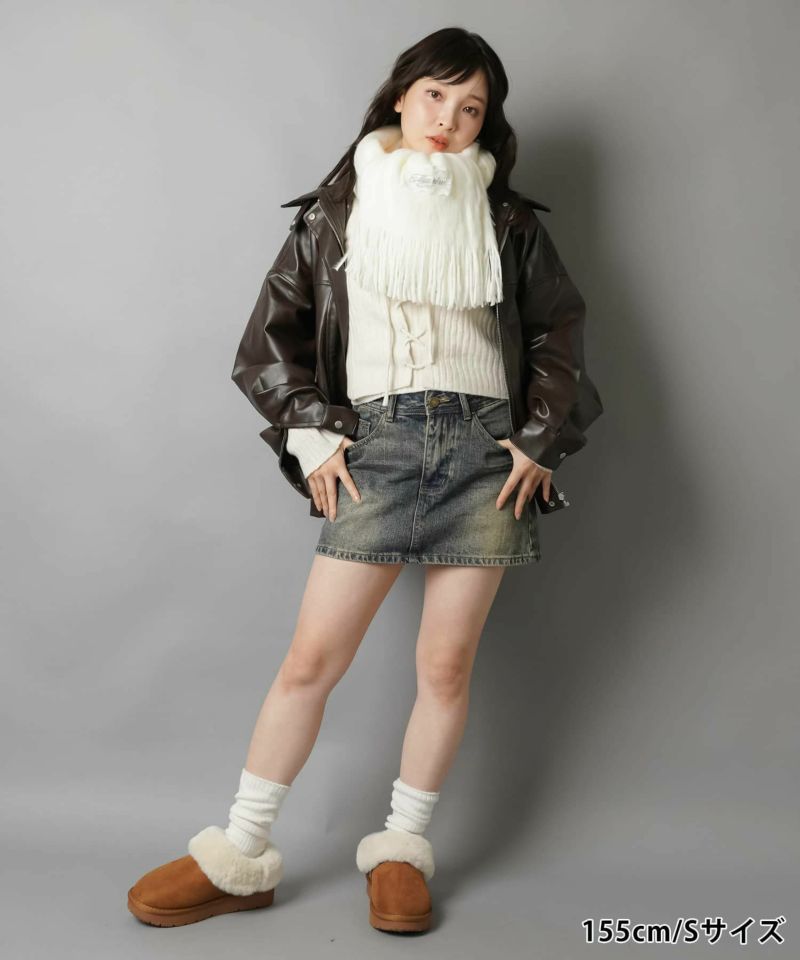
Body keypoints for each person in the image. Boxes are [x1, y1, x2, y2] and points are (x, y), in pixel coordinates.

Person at [127, 26, 603, 934]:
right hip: (375, 445)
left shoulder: (508, 221)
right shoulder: (332, 216)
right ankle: (242, 852)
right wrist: (312, 436)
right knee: (311, 662)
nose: (449, 119)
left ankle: (401, 851)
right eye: (436, 96)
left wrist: (539, 440)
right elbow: (269, 345)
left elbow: (559, 334)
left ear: (487, 124)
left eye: (472, 109)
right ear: (400, 96)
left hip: (484, 454)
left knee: (445, 668)